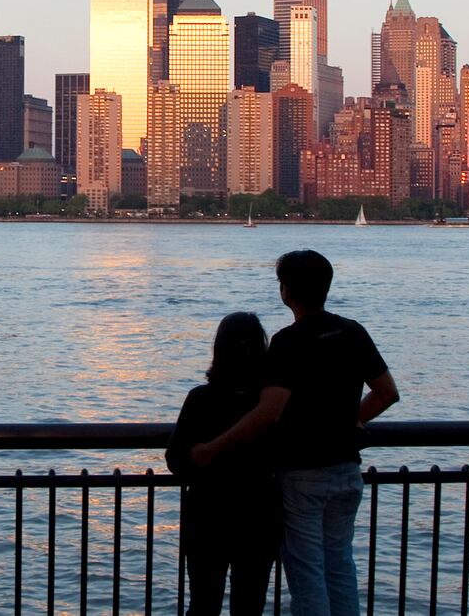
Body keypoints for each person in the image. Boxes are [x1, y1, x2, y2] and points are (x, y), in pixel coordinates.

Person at [191, 250, 398, 616]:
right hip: (347, 471)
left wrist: (210, 448)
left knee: (307, 575)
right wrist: (350, 421)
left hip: (304, 474)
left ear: (285, 291)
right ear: (326, 287)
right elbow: (387, 393)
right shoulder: (353, 331)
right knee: (340, 567)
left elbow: (268, 413)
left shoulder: (288, 342)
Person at [165, 311, 282, 616]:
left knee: (203, 603)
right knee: (250, 604)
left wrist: (204, 458)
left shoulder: (201, 399)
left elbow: (176, 460)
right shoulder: (271, 404)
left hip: (208, 513)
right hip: (259, 512)